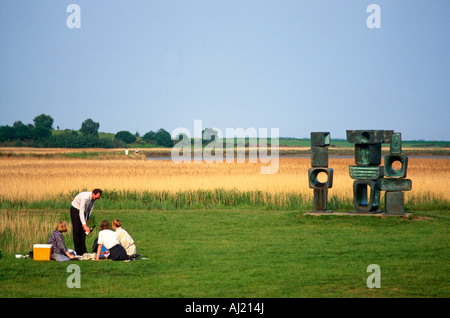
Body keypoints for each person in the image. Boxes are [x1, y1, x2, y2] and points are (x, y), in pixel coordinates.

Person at [70, 189, 102, 255]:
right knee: (76, 231)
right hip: (75, 210)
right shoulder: (85, 197)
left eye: (98, 198)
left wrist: (86, 220)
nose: (96, 199)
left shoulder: (93, 199)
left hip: (82, 211)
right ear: (93, 194)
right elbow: (81, 211)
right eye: (96, 198)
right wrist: (84, 225)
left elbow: (89, 210)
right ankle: (77, 251)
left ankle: (83, 250)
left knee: (83, 232)